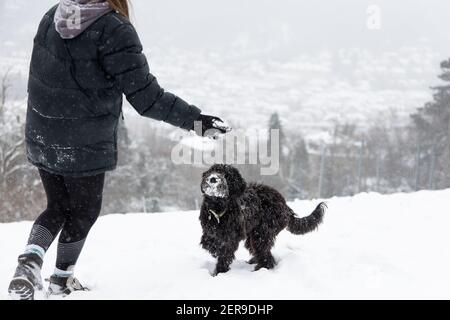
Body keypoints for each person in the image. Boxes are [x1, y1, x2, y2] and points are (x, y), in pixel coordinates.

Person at [8, 0, 229, 300]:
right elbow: (147, 98)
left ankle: (29, 263)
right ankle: (60, 282)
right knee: (84, 211)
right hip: (83, 140)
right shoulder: (113, 29)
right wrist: (197, 122)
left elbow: (39, 78)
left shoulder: (53, 16)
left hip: (43, 132)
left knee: (57, 206)